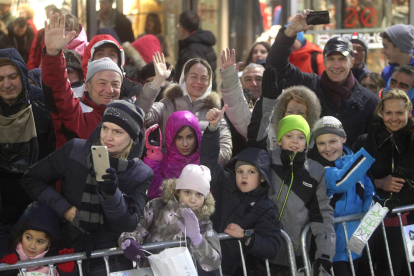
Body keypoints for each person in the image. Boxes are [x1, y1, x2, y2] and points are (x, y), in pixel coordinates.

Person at [22, 100, 153, 275]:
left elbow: (128, 223)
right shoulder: (76, 150)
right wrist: (65, 209)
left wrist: (111, 194)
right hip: (68, 253)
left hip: (112, 259)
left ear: (132, 137)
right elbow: (32, 178)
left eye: (118, 132)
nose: (107, 136)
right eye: (105, 127)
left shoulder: (141, 173)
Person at [247, 68, 335, 275]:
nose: (295, 141)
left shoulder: (316, 171)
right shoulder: (266, 159)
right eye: (288, 136)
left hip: (295, 257)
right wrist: (267, 99)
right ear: (279, 138)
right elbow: (255, 135)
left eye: (300, 137)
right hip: (260, 252)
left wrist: (324, 256)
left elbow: (322, 215)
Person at [267, 9, 379, 147]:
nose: (336, 65)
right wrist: (290, 32)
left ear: (351, 62)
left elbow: (374, 145)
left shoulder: (370, 101)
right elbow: (275, 66)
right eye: (331, 59)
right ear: (324, 61)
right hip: (311, 166)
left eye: (342, 59)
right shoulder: (308, 85)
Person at [200, 105, 281, 275]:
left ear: (262, 178)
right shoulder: (225, 184)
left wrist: (246, 235)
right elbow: (209, 161)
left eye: (251, 172)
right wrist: (213, 128)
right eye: (240, 171)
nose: (244, 176)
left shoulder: (266, 207)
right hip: (205, 263)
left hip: (237, 269)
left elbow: (272, 246)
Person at [119, 164, 221, 273]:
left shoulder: (204, 222)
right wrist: (128, 240)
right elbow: (138, 230)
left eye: (199, 194)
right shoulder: (157, 206)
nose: (192, 199)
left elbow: (213, 263)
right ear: (178, 191)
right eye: (187, 192)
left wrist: (197, 238)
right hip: (150, 270)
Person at [355, 90, 414, 276]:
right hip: (368, 218)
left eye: (399, 113)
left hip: (405, 221)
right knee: (361, 268)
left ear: (409, 113)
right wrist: (379, 183)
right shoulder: (365, 141)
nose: (393, 118)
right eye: (388, 112)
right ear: (381, 112)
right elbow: (353, 179)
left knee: (401, 270)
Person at [308, 116, 375, 276]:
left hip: (357, 246)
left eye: (333, 141)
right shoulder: (317, 169)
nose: (327, 148)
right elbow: (341, 181)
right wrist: (367, 155)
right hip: (333, 250)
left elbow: (369, 196)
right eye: (321, 143)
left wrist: (362, 238)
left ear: (343, 138)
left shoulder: (357, 163)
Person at [137, 53, 232, 165]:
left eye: (204, 78)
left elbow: (226, 151)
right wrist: (157, 81)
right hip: (167, 176)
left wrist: (198, 160)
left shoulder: (215, 113)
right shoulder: (167, 104)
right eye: (193, 76)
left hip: (201, 177)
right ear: (184, 77)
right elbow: (139, 116)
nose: (198, 82)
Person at [0, 48, 55, 229]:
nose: (7, 84)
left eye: (12, 76)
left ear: (23, 75)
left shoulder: (40, 102)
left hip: (36, 192)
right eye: (0, 78)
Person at [0, 203, 75, 276]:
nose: (32, 246)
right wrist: (6, 269)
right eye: (28, 238)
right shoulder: (5, 250)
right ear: (21, 235)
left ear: (49, 243)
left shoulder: (56, 257)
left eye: (40, 241)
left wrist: (67, 273)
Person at [145, 111, 202, 200]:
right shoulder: (163, 162)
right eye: (179, 138)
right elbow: (154, 194)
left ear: (197, 137)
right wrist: (153, 159)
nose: (185, 144)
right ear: (171, 137)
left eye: (190, 137)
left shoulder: (204, 161)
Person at [174, 11, 217, 89]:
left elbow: (195, 81)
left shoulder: (191, 50)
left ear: (183, 29)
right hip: (207, 94)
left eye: (178, 26)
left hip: (196, 97)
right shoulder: (203, 42)